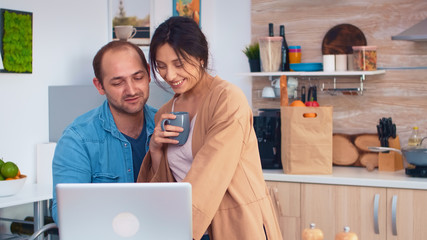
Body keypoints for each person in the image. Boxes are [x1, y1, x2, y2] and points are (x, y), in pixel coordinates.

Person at [137, 16, 282, 240]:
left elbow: (212, 168)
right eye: (161, 66)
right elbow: (168, 187)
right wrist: (155, 149)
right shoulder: (165, 112)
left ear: (201, 57)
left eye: (179, 63)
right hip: (189, 227)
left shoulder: (227, 99)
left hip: (236, 224)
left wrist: (175, 225)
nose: (170, 76)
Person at [51, 41, 157, 223]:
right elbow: (66, 214)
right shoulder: (77, 140)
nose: (131, 90)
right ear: (99, 86)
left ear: (148, 74)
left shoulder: (165, 125)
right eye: (118, 82)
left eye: (138, 77)